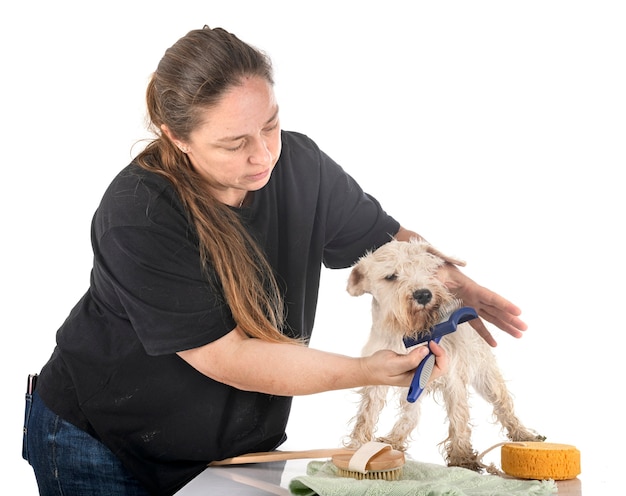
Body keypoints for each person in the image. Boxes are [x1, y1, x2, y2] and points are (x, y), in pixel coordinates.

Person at [22, 26, 527, 496]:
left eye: (271, 125)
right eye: (234, 143)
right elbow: (231, 357)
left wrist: (459, 285)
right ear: (176, 136)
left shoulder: (300, 166)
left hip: (239, 445)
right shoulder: (139, 214)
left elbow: (390, 241)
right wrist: (367, 369)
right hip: (102, 442)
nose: (263, 155)